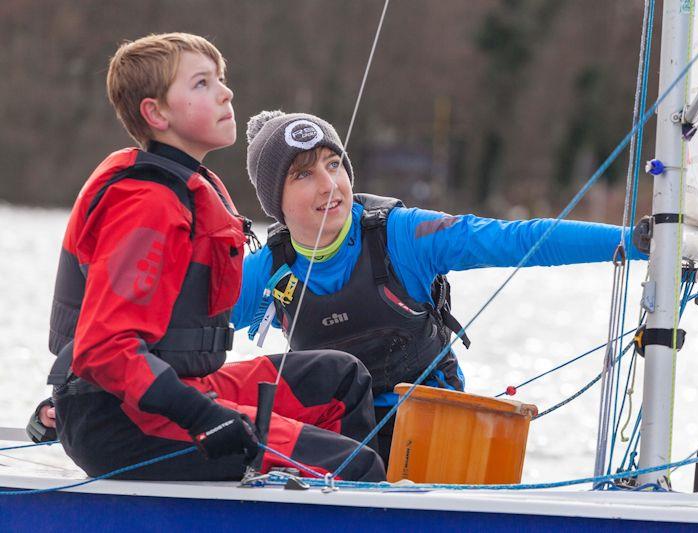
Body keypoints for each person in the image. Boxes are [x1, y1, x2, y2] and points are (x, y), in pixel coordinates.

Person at [36, 34, 384, 482]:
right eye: (202, 83)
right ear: (156, 113)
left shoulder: (187, 186)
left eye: (221, 78)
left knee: (341, 378)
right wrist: (203, 417)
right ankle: (358, 490)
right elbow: (104, 349)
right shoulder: (147, 203)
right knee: (356, 466)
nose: (226, 92)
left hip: (171, 390)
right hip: (125, 420)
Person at [234, 110, 646, 464]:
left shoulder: (403, 235)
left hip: (427, 427)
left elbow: (520, 238)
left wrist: (638, 242)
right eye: (304, 174)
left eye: (333, 163)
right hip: (338, 438)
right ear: (277, 203)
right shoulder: (265, 269)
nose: (328, 184)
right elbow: (180, 326)